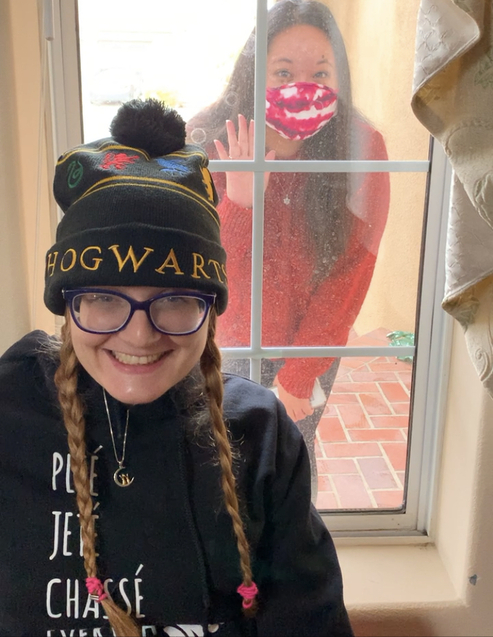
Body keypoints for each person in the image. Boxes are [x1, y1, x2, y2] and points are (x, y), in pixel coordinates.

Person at [0, 99, 353, 637]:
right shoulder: (9, 414)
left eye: (175, 299)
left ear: (209, 310)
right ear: (67, 304)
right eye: (104, 298)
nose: (140, 334)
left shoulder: (262, 437)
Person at [187, 0, 390, 492]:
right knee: (223, 461)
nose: (303, 87)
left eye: (320, 73)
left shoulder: (361, 147)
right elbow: (202, 270)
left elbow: (352, 271)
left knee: (292, 461)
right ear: (254, 71)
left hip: (312, 344)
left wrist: (300, 373)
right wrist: (240, 202)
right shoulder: (209, 137)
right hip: (228, 341)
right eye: (282, 72)